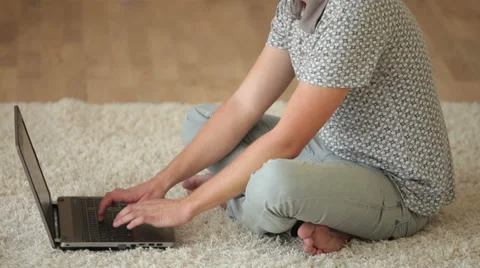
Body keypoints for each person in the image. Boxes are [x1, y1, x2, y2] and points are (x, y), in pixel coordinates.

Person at [98, 0, 455, 255]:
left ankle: (268, 200)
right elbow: (243, 105)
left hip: (398, 187)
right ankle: (296, 204)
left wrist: (187, 206)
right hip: (329, 147)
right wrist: (158, 185)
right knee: (199, 121)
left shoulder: (356, 9)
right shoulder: (296, 4)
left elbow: (287, 140)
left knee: (272, 184)